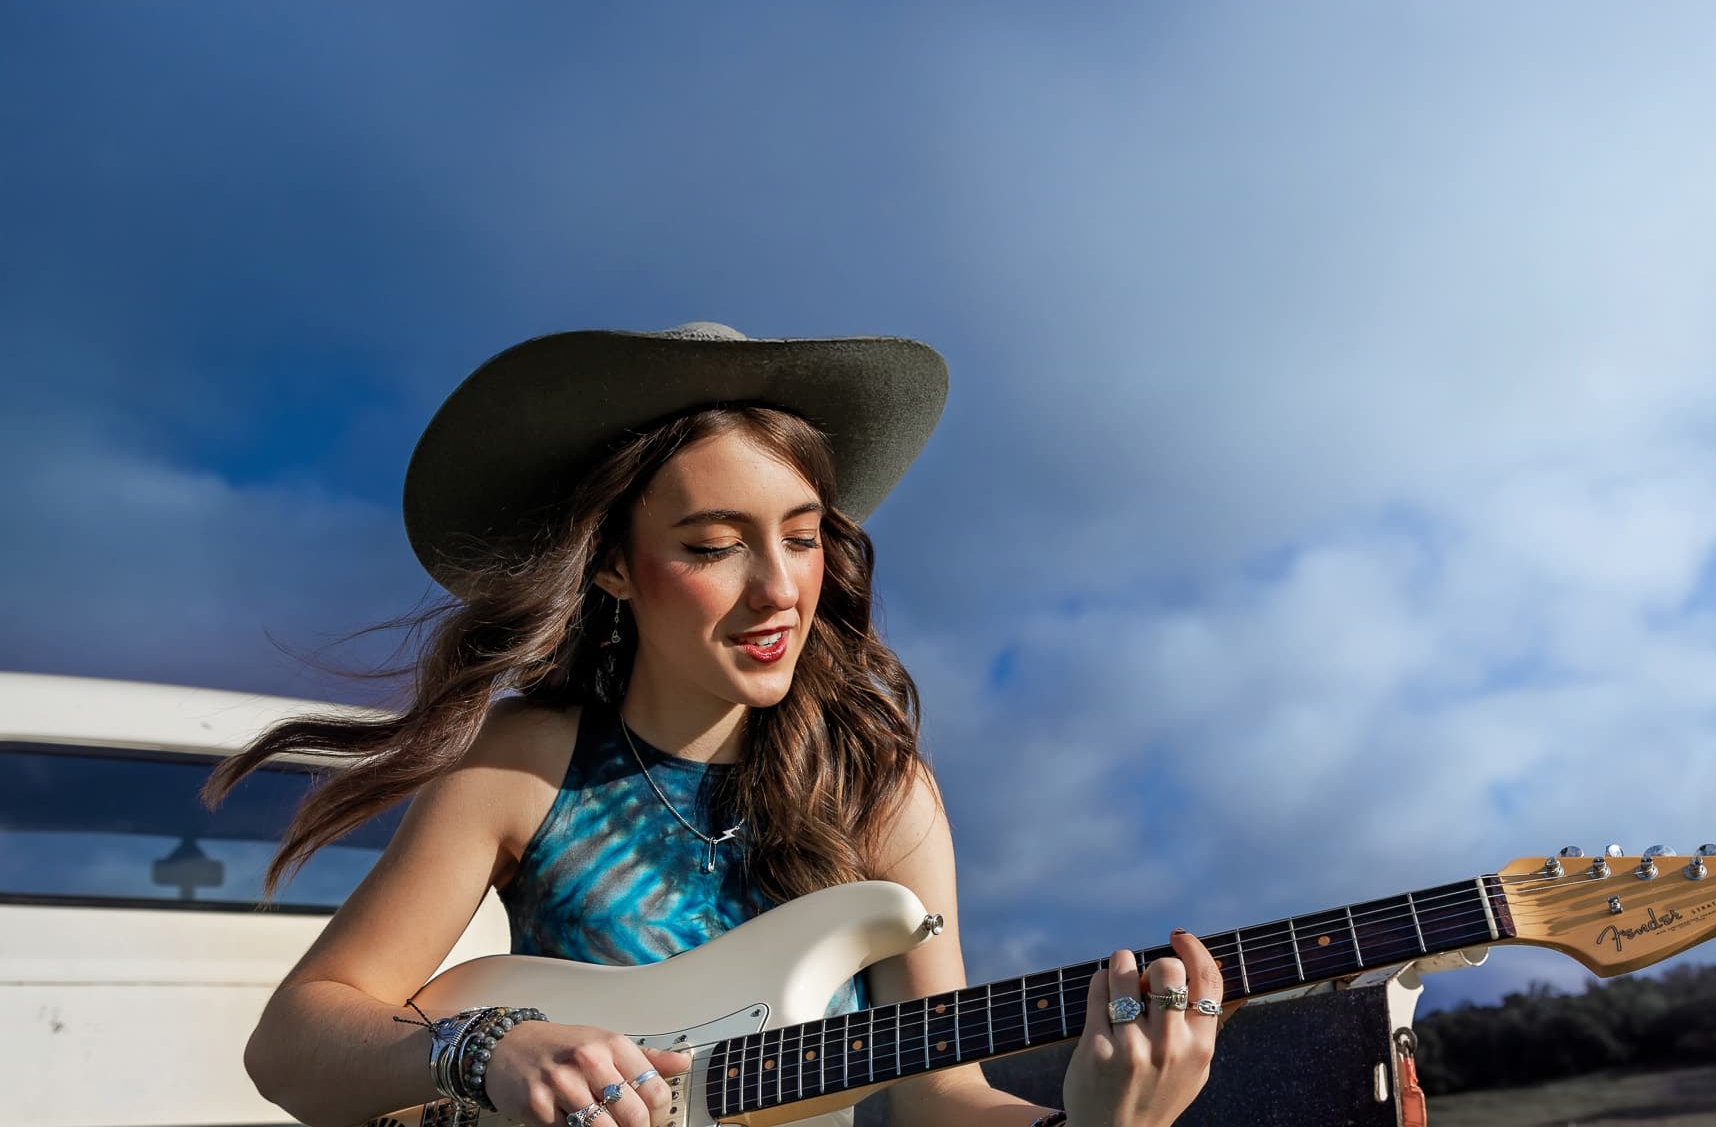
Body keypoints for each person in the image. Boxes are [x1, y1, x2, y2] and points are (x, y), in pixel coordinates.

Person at [207, 322, 1223, 1127]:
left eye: (801, 536)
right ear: (613, 566)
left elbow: (939, 1098)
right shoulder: (523, 764)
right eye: (712, 546)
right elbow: (291, 1044)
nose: (778, 589)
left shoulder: (879, 792)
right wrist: (488, 1048)